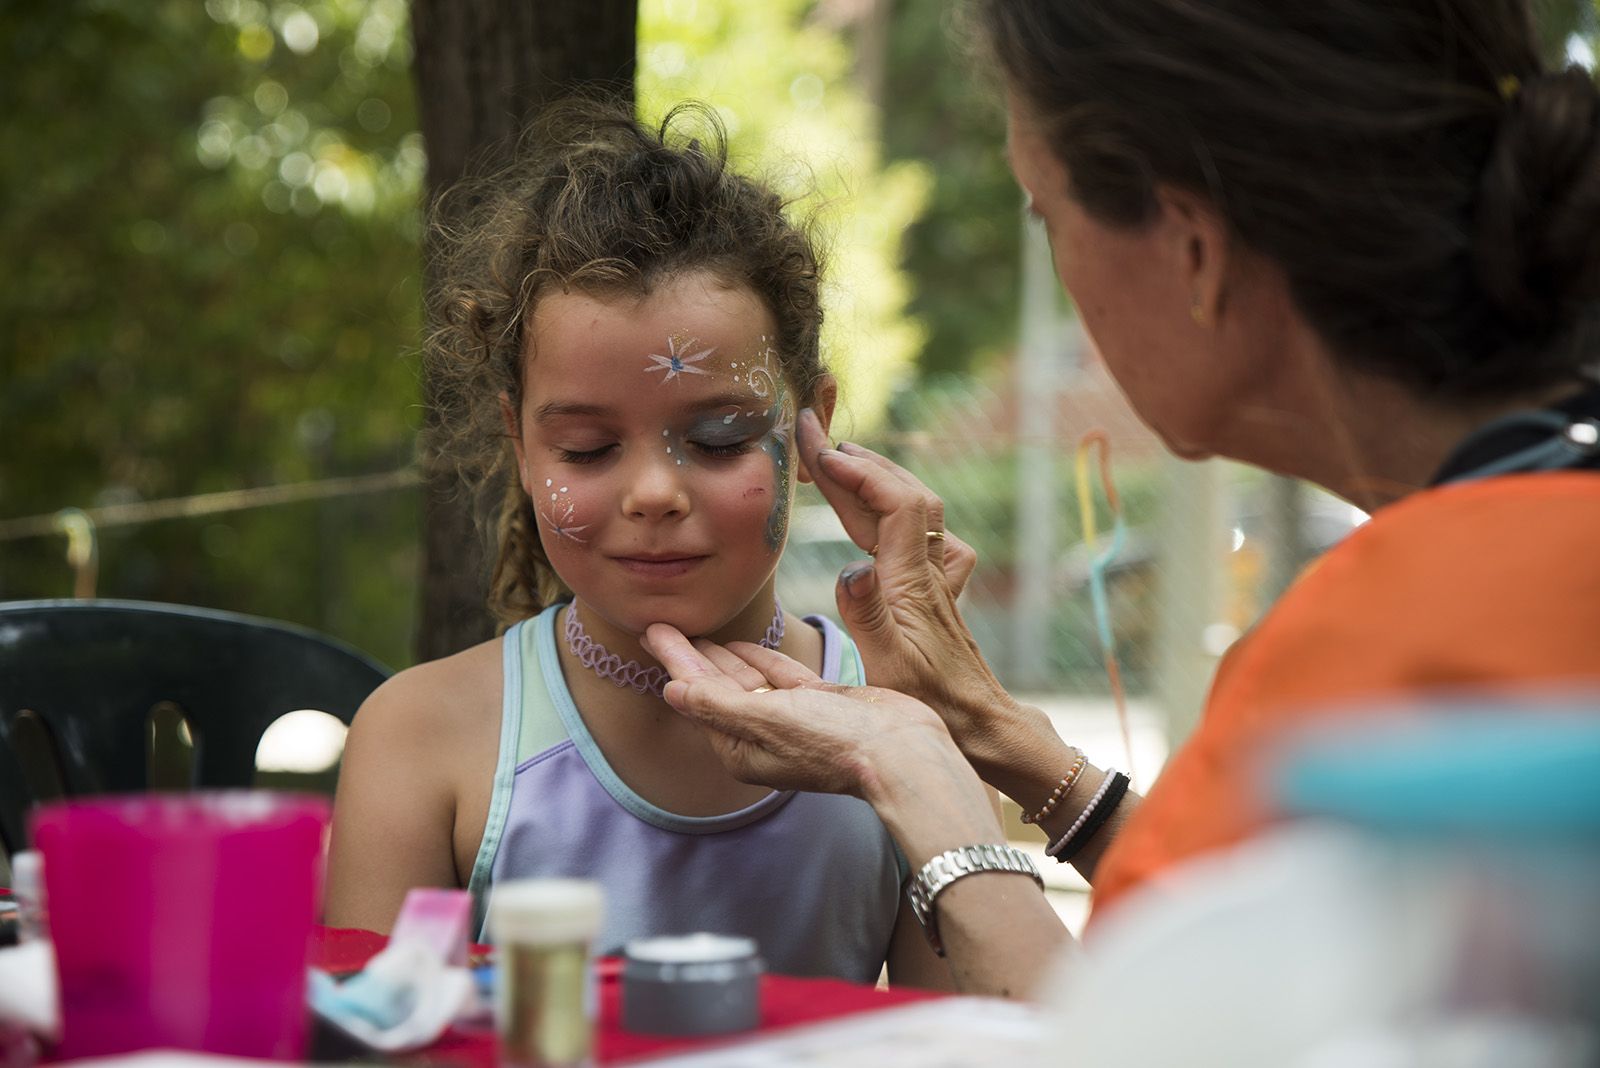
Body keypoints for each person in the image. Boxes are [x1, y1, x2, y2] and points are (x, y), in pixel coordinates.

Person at [640, 0, 1600, 999]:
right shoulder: (1530, 525)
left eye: (1046, 217)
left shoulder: (1386, 647)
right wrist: (998, 738)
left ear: (1191, 249)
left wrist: (922, 785)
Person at [323, 101, 952, 989]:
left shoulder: (903, 722)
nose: (654, 494)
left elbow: (977, 1035)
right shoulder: (423, 737)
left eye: (723, 437)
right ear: (520, 442)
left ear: (811, 430)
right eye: (586, 449)